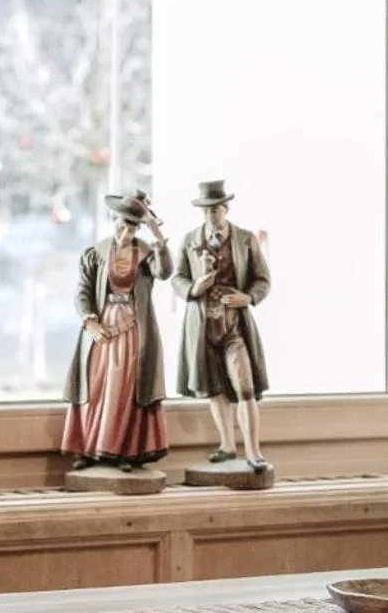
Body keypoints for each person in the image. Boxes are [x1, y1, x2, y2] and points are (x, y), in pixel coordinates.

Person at [61, 189, 171, 471]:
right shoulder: (96, 253)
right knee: (96, 385)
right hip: (103, 324)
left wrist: (157, 235)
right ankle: (88, 446)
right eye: (123, 225)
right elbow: (83, 291)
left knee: (125, 387)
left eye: (133, 227)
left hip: (133, 326)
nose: (126, 232)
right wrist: (90, 320)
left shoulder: (145, 254)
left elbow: (166, 271)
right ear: (114, 223)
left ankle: (124, 449)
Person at [173, 179, 271, 472]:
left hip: (234, 327)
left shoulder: (244, 239)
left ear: (225, 209)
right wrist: (195, 287)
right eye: (205, 211)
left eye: (215, 210)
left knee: (244, 387)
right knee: (214, 387)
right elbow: (177, 278)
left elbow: (263, 279)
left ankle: (253, 450)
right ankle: (227, 444)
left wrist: (248, 297)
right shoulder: (191, 239)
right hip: (203, 326)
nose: (210, 216)